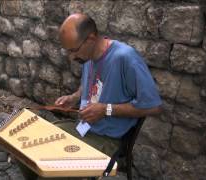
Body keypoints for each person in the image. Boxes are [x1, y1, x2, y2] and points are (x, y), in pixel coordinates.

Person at [17, 13, 162, 180]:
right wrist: (74, 97)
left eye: (73, 50)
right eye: (68, 51)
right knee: (26, 150)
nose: (71, 58)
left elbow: (153, 106)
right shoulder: (88, 57)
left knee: (52, 172)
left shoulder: (125, 58)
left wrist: (106, 110)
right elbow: (91, 84)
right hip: (82, 128)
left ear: (91, 39)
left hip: (108, 139)